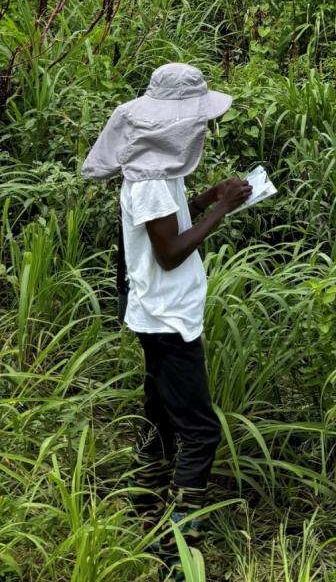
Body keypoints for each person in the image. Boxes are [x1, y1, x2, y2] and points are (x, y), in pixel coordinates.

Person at [81, 62, 252, 561]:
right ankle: (180, 548)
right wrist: (220, 212)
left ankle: (144, 501)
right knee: (199, 431)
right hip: (167, 319)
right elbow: (169, 251)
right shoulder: (151, 177)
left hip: (156, 313)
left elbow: (166, 222)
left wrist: (208, 197)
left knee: (159, 412)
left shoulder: (155, 167)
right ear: (174, 123)